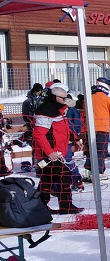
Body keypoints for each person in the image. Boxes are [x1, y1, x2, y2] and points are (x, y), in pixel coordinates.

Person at [33, 82, 82, 215]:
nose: (65, 100)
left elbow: (64, 129)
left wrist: (75, 139)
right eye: (63, 98)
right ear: (54, 97)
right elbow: (39, 134)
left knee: (47, 180)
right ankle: (65, 206)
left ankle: (40, 207)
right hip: (50, 153)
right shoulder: (46, 110)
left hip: (59, 152)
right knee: (62, 177)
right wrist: (50, 153)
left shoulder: (59, 109)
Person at [83, 77, 110, 183]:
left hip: (90, 129)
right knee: (101, 151)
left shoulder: (88, 98)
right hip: (102, 129)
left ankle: (88, 172)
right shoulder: (108, 99)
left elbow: (84, 113)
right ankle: (99, 173)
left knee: (90, 151)